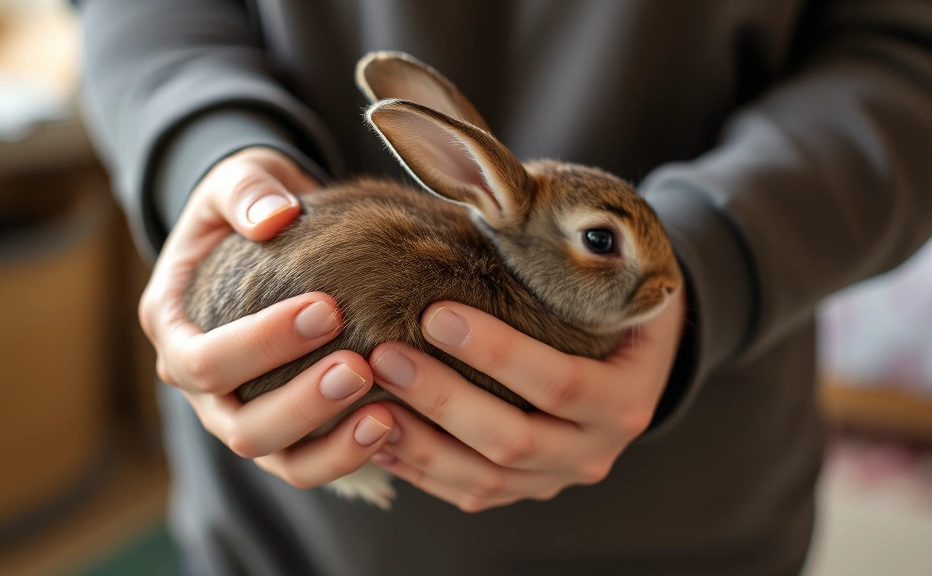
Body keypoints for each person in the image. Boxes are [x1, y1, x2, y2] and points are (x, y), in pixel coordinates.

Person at [74, 1, 932, 574]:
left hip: (697, 521)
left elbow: (904, 53)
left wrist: (726, 253)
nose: (662, 282)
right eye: (606, 248)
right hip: (292, 533)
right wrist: (205, 144)